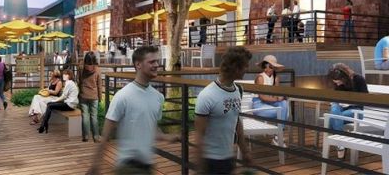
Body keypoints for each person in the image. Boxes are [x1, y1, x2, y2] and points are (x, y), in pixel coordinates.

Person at [86, 46, 180, 175]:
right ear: (138, 64)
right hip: (129, 167)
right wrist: (95, 166)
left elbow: (151, 129)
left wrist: (166, 137)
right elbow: (106, 135)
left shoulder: (158, 97)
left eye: (157, 61)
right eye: (151, 62)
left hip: (148, 166)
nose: (157, 65)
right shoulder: (123, 96)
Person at [194, 46, 253, 174]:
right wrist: (200, 168)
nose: (247, 69)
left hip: (228, 158)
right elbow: (199, 134)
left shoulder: (238, 90)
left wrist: (245, 151)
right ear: (235, 68)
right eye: (245, 66)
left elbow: (237, 122)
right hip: (210, 161)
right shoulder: (207, 96)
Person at [327, 63, 368, 159]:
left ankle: (340, 145)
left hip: (356, 111)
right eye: (335, 82)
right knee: (334, 108)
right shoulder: (339, 82)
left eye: (338, 82)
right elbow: (337, 97)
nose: (337, 84)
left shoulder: (359, 79)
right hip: (341, 109)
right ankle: (341, 145)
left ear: (344, 77)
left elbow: (366, 99)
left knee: (332, 118)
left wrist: (350, 104)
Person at [252, 55, 289, 146]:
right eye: (267, 66)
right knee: (282, 112)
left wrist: (280, 97)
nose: (269, 68)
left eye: (272, 66)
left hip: (270, 103)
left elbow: (277, 93)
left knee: (283, 104)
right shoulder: (260, 78)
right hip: (259, 105)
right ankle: (279, 135)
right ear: (264, 67)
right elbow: (262, 97)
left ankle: (277, 136)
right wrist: (277, 98)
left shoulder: (275, 78)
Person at [38, 68, 79, 133]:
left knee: (50, 105)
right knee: (49, 104)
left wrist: (55, 101)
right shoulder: (70, 82)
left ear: (69, 76)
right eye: (63, 74)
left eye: (65, 74)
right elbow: (65, 96)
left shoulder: (69, 83)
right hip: (69, 103)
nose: (63, 76)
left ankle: (44, 125)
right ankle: (44, 124)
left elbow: (64, 96)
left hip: (70, 105)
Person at [79, 52, 102, 142]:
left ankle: (85, 136)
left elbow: (79, 81)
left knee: (84, 116)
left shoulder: (81, 68)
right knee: (94, 116)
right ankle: (96, 137)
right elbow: (99, 85)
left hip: (83, 94)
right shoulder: (98, 70)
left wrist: (80, 92)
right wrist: (100, 97)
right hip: (94, 96)